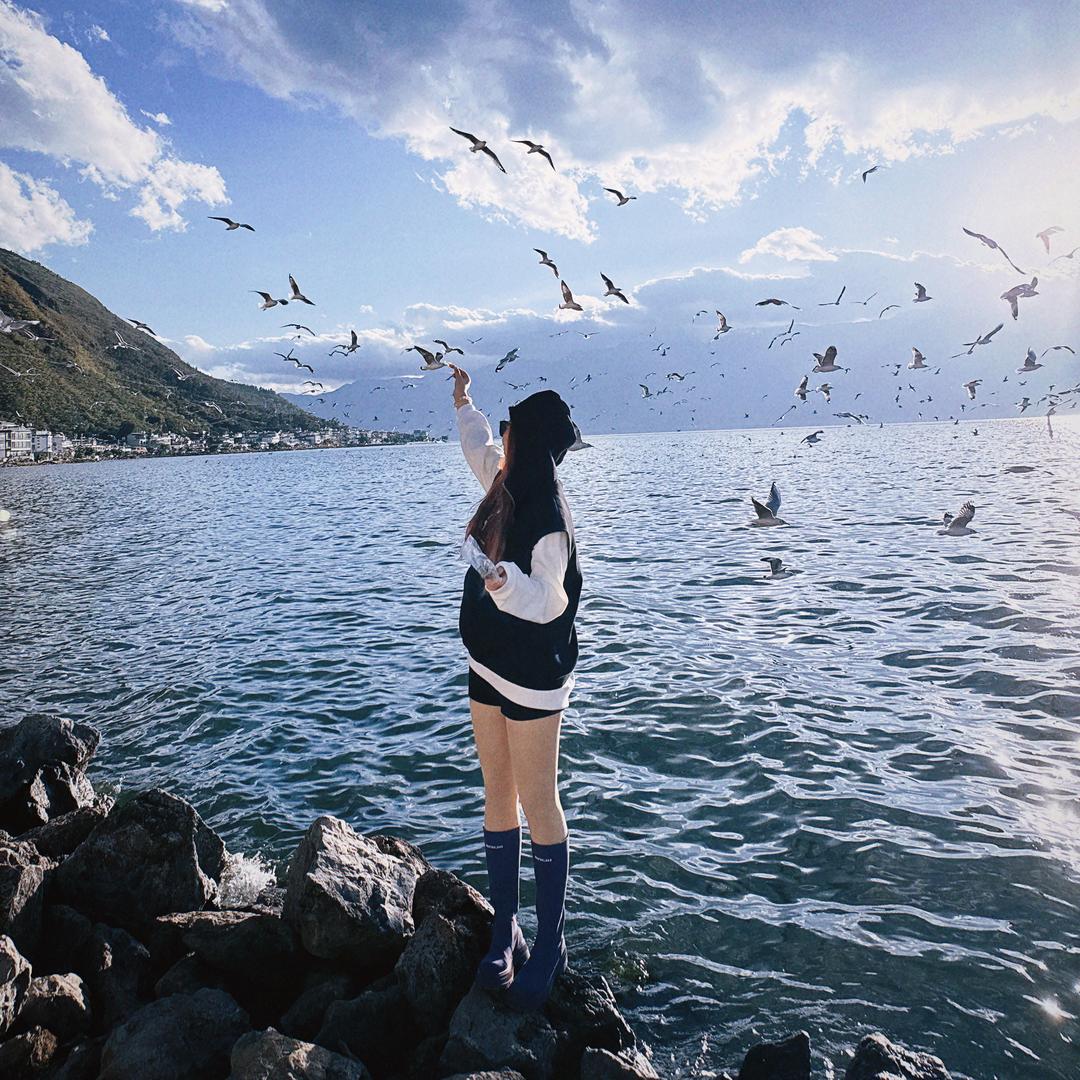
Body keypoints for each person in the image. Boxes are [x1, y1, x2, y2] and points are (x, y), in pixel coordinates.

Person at [450, 362, 582, 1011]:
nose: (500, 438)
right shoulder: (504, 482)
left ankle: (551, 944)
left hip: (532, 676)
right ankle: (505, 929)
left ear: (528, 442)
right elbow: (478, 447)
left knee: (539, 800)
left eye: (510, 430)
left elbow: (551, 602)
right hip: (487, 662)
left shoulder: (550, 518)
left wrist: (504, 585)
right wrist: (464, 402)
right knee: (497, 792)